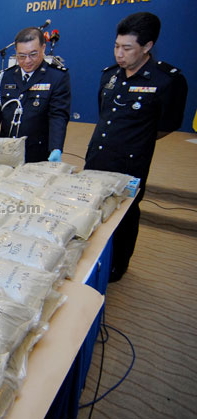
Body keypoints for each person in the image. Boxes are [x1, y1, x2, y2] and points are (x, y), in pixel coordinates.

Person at [84, 12, 188, 282]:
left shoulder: (167, 80)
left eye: (127, 48)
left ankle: (118, 266)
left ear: (148, 46)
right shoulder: (110, 76)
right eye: (116, 46)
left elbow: (167, 125)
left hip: (130, 163)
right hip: (98, 157)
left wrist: (135, 140)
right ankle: (93, 258)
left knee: (126, 215)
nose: (119, 54)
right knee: (93, 209)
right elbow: (104, 114)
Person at [0, 27, 71, 163]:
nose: (27, 61)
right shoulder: (6, 76)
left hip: (37, 153)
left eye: (33, 54)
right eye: (21, 56)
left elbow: (58, 116)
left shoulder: (56, 77)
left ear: (43, 48)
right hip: (5, 150)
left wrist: (56, 147)